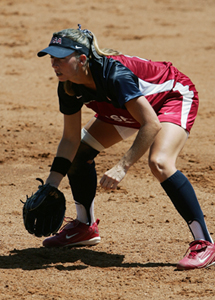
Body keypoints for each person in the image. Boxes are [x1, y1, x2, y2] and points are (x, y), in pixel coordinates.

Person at [37, 24, 215, 270]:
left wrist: (123, 166)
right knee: (79, 153)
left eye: (61, 58)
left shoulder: (114, 75)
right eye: (51, 58)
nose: (54, 64)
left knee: (160, 163)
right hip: (126, 107)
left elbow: (150, 124)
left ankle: (204, 242)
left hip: (169, 98)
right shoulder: (68, 84)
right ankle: (84, 226)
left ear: (82, 58)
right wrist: (51, 185)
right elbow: (70, 140)